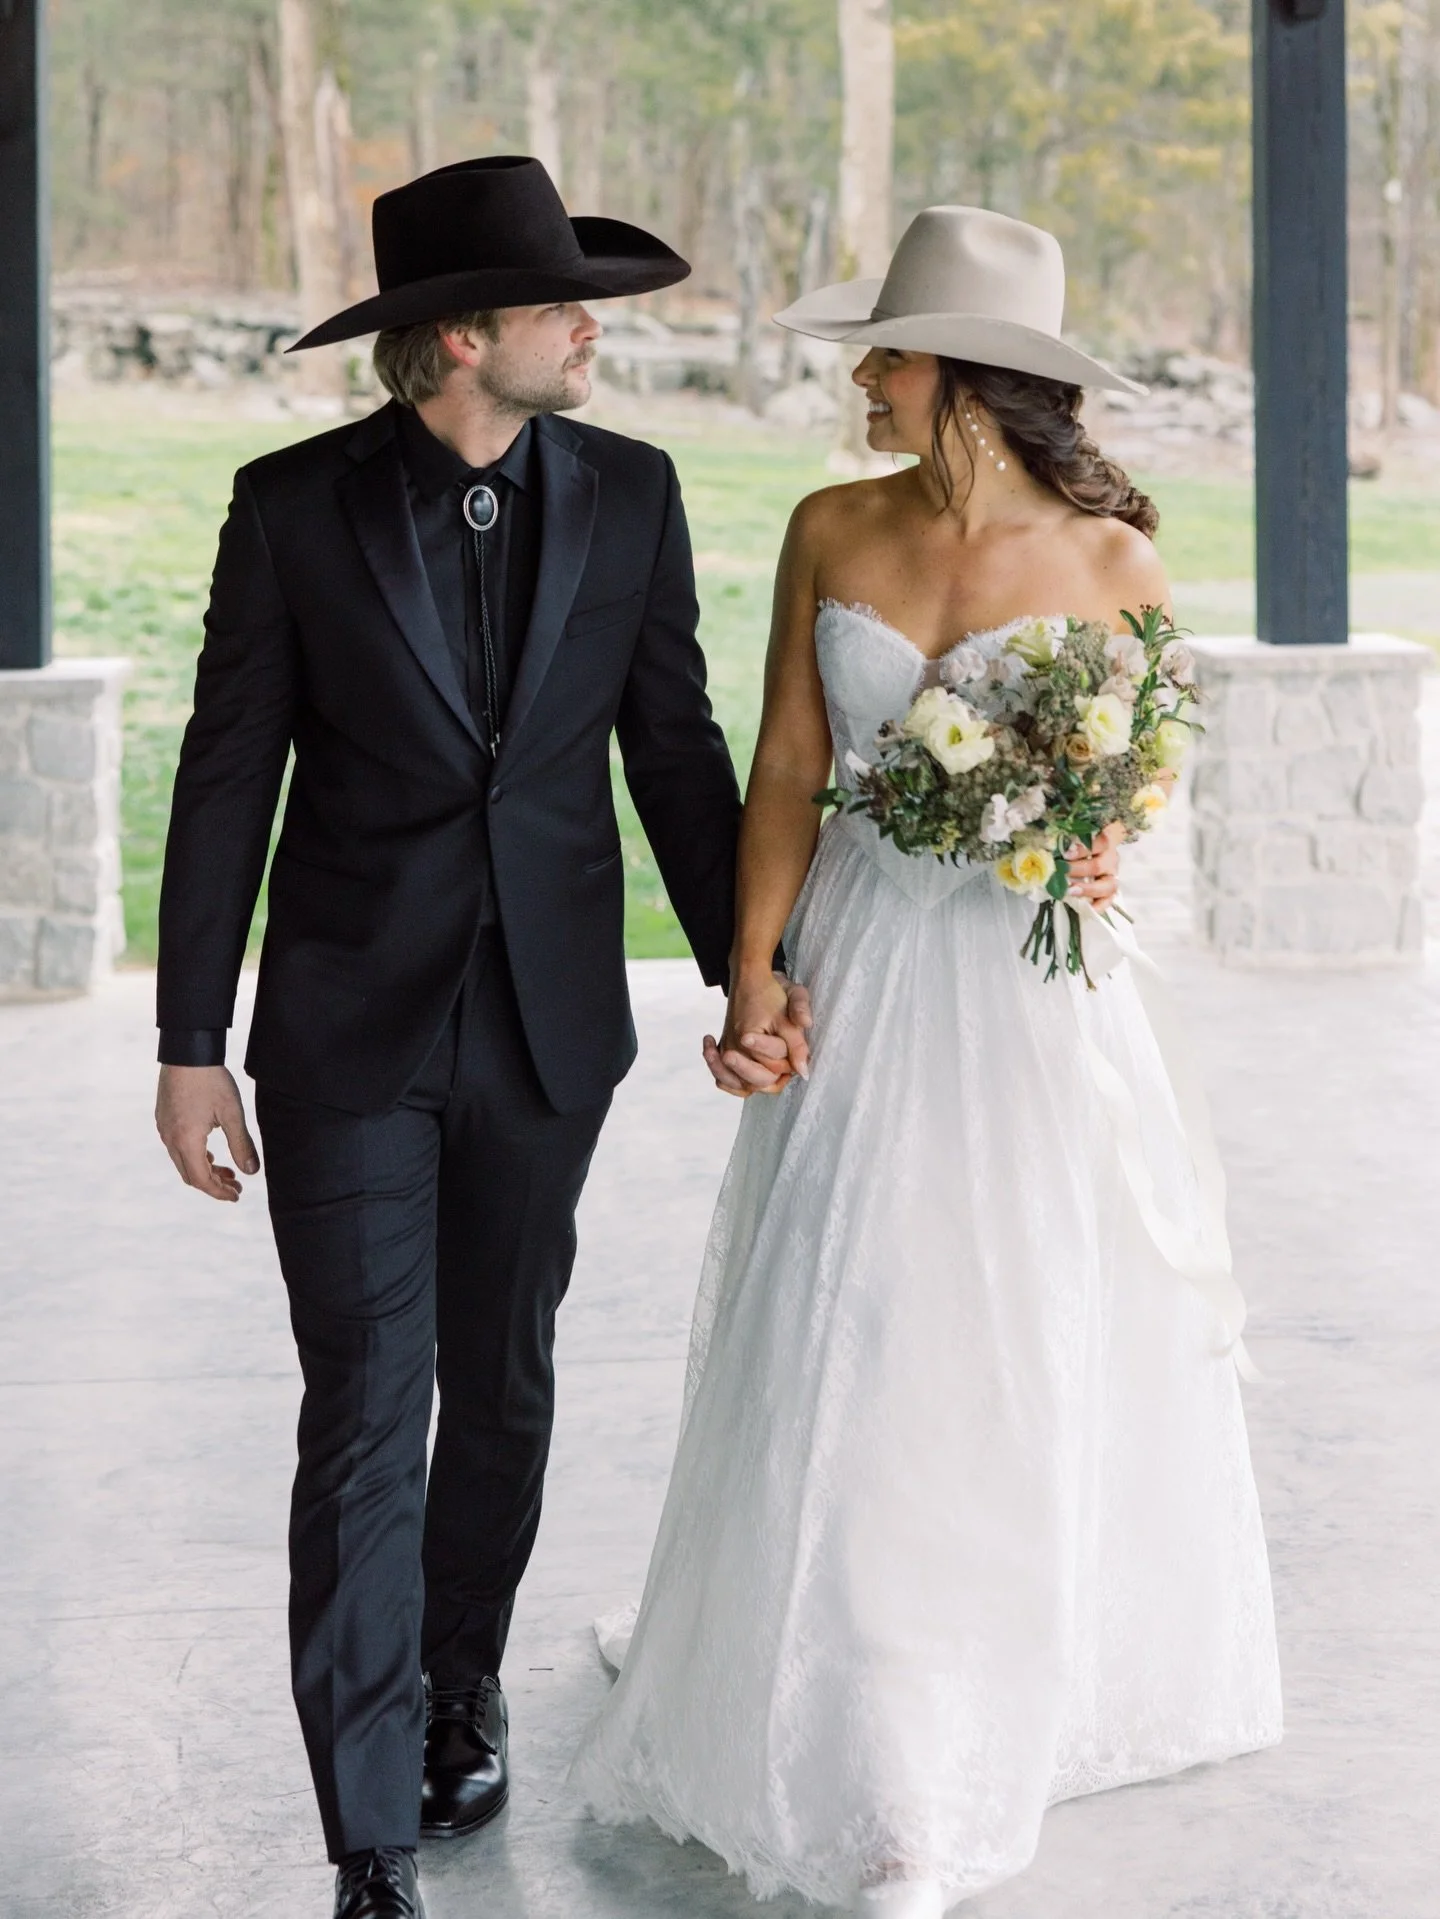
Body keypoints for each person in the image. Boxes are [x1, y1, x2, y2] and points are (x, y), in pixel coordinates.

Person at [571, 205, 1283, 1917]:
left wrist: (1104, 843)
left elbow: (1143, 772)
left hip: (1032, 988)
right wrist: (752, 969)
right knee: (855, 1309)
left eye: (883, 352)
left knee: (1015, 1313)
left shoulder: (1116, 559)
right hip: (870, 969)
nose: (863, 377)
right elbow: (791, 771)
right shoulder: (831, 524)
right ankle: (867, 1721)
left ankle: (983, 1704)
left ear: (962, 370)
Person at [152, 155, 807, 1919]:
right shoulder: (290, 509)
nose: (590, 328)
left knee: (500, 1384)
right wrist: (191, 1037)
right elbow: (229, 778)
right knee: (366, 1410)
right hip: (346, 1037)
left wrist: (749, 969)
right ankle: (368, 1839)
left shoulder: (633, 491)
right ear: (456, 340)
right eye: (554, 305)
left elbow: (671, 745)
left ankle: (459, 1676)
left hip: (547, 1029)